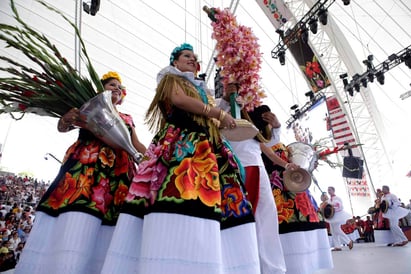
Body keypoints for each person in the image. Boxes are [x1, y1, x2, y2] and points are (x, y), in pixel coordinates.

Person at [101, 43, 261, 274]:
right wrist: (217, 112)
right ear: (174, 61)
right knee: (179, 196)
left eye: (194, 58)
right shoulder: (171, 80)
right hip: (181, 146)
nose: (192, 60)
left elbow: (214, 117)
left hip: (208, 148)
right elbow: (179, 101)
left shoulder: (202, 90)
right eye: (186, 56)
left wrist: (226, 103)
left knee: (217, 203)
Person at [15, 71, 147, 274]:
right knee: (79, 213)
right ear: (101, 89)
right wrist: (66, 119)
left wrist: (154, 159)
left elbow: (136, 144)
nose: (117, 89)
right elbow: (63, 127)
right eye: (112, 85)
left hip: (119, 173)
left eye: (120, 88)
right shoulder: (88, 108)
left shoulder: (127, 118)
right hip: (88, 168)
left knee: (113, 219)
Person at [216, 90, 286, 274]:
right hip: (229, 168)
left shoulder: (255, 112)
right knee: (237, 218)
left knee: (266, 217)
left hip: (257, 168)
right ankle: (238, 266)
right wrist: (225, 101)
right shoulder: (219, 105)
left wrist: (276, 126)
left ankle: (272, 268)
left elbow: (267, 143)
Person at [261, 115, 333, 274]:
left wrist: (277, 125)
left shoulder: (274, 141)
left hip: (294, 185)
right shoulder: (260, 143)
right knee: (288, 224)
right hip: (278, 188)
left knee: (301, 221)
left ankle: (302, 264)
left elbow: (275, 136)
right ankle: (293, 265)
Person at [326, 186, 354, 251]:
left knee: (337, 229)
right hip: (331, 216)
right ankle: (337, 246)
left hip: (337, 216)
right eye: (328, 190)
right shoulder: (329, 200)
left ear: (333, 190)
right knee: (333, 231)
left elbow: (340, 206)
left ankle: (348, 241)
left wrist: (333, 206)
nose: (329, 191)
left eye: (330, 190)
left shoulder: (337, 198)